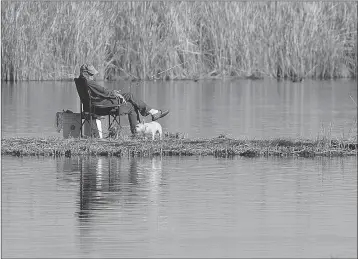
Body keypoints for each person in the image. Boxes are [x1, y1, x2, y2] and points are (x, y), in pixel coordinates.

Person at [78, 63, 169, 135]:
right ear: (85, 73)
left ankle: (150, 114)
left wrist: (114, 93)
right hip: (101, 107)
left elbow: (100, 92)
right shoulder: (89, 82)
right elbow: (104, 91)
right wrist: (114, 93)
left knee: (130, 97)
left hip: (94, 106)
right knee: (131, 105)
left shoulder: (80, 82)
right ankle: (139, 128)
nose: (93, 76)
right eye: (91, 74)